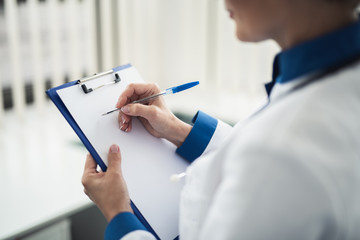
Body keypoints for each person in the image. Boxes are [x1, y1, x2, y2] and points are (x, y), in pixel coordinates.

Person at [81, 0, 360, 239]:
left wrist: (119, 214)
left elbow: (267, 161)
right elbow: (252, 159)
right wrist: (181, 131)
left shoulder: (280, 150)